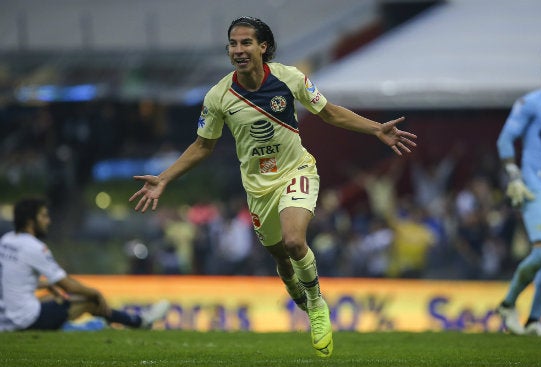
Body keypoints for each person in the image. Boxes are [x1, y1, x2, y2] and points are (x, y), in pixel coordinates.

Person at [129, 16, 417, 357]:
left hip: (297, 171)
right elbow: (203, 146)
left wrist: (375, 129)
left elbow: (329, 113)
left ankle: (316, 305)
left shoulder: (289, 78)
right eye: (233, 44)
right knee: (281, 255)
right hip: (258, 189)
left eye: (246, 43)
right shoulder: (219, 96)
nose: (238, 50)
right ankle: (297, 287)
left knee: (295, 241)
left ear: (263, 47)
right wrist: (164, 177)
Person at [0, 197, 170, 332]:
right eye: (44, 216)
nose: (48, 221)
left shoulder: (6, 240)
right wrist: (95, 293)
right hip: (25, 320)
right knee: (88, 300)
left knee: (53, 296)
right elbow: (68, 286)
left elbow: (13, 279)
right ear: (30, 221)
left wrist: (46, 284)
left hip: (4, 319)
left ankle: (130, 321)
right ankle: (140, 321)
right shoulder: (35, 247)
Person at [496, 51, 541, 337]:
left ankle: (533, 320)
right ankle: (507, 304)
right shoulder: (531, 103)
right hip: (533, 186)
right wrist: (514, 175)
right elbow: (505, 138)